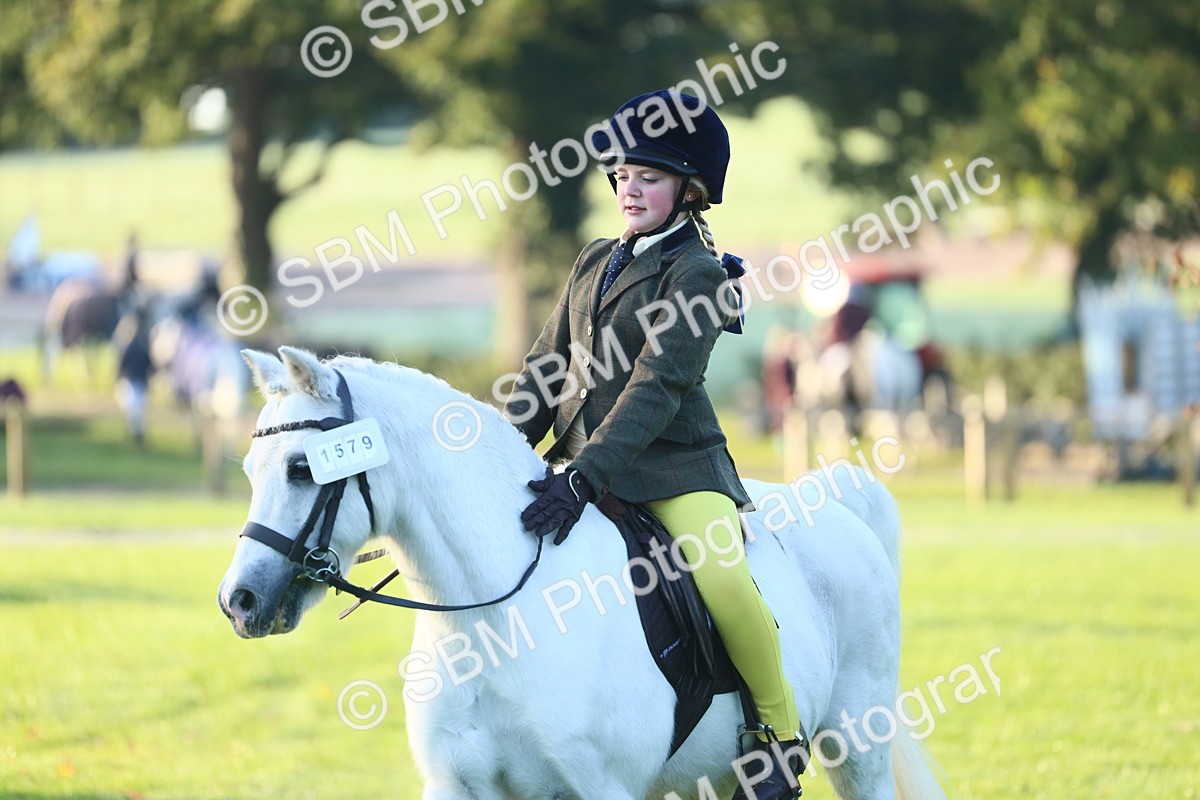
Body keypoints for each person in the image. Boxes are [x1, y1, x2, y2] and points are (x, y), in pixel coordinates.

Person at [502, 90, 807, 800]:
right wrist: (496, 454)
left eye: (650, 176)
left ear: (689, 189)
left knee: (723, 576)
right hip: (581, 469)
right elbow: (545, 371)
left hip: (673, 469)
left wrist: (581, 477)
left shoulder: (694, 273)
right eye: (622, 176)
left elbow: (654, 390)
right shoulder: (594, 258)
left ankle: (779, 733)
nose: (630, 188)